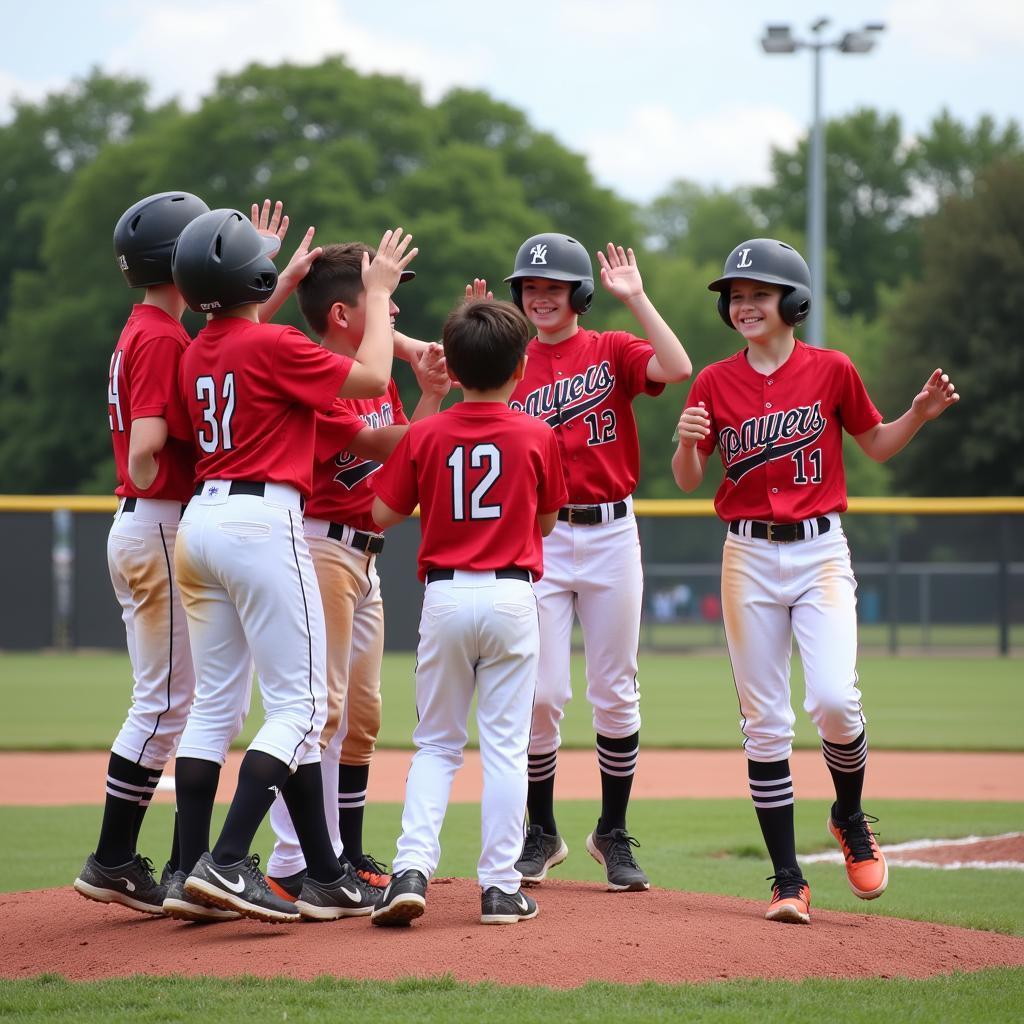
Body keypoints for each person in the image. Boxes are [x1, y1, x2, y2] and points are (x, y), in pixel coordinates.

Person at [672, 237, 960, 924]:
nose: (743, 305)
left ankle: (850, 817)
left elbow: (877, 445)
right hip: (746, 554)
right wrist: (687, 442)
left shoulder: (831, 369)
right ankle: (785, 879)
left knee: (834, 700)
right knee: (766, 724)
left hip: (820, 551)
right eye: (735, 297)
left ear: (791, 301)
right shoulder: (713, 381)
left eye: (757, 295)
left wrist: (917, 414)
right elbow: (689, 480)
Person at [166, 210, 416, 924]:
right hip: (261, 522)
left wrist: (273, 278)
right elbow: (369, 372)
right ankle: (229, 861)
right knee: (304, 707)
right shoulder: (274, 343)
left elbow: (235, 333)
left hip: (200, 523)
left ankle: (201, 870)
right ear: (261, 276)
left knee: (218, 706)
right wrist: (378, 286)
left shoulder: (196, 350)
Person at [370, 298, 568, 927]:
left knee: (436, 743)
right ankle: (501, 887)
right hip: (512, 595)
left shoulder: (426, 432)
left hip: (446, 595)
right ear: (522, 366)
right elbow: (548, 519)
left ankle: (410, 869)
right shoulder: (538, 434)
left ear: (450, 367)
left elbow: (382, 514)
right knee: (507, 747)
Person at [504, 234, 692, 892]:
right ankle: (542, 830)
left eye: (553, 286)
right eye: (530, 286)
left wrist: (637, 300)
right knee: (542, 693)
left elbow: (677, 366)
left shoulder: (609, 348)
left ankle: (611, 832)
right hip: (542, 534)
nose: (540, 296)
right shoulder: (511, 359)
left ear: (579, 292)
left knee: (615, 691)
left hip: (612, 532)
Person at [263, 242, 449, 901]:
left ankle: (343, 850)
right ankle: (295, 863)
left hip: (363, 551)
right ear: (343, 312)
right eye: (379, 294)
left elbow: (403, 464)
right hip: (319, 549)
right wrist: (456, 408)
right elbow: (376, 444)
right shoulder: (321, 376)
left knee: (361, 715)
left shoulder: (375, 377)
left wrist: (426, 394)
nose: (393, 305)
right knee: (322, 710)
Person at [74, 191, 210, 916]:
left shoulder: (147, 326)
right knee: (164, 702)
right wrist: (166, 468)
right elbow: (152, 447)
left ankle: (165, 859)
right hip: (157, 518)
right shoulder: (160, 337)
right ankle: (114, 858)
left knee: (174, 701)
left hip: (149, 522)